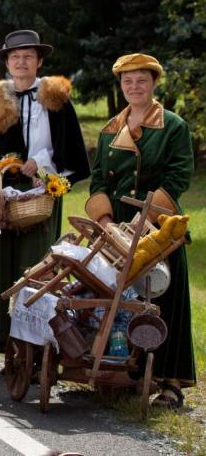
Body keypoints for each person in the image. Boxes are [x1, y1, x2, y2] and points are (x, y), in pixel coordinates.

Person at [85, 53, 195, 409]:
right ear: (121, 86)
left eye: (141, 81)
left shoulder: (173, 126)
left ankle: (170, 382)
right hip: (117, 227)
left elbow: (178, 177)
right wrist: (105, 222)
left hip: (160, 227)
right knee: (121, 300)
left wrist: (145, 219)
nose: (134, 87)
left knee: (164, 301)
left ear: (154, 83)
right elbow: (98, 179)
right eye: (128, 81)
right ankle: (128, 374)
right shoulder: (110, 129)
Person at [0, 29, 90, 350]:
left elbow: (72, 152)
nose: (21, 62)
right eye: (15, 57)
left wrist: (42, 164)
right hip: (3, 197)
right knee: (1, 263)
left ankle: (33, 347)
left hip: (41, 194)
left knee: (36, 266)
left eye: (28, 57)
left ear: (39, 62)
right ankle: (0, 339)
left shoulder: (55, 98)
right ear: (7, 63)